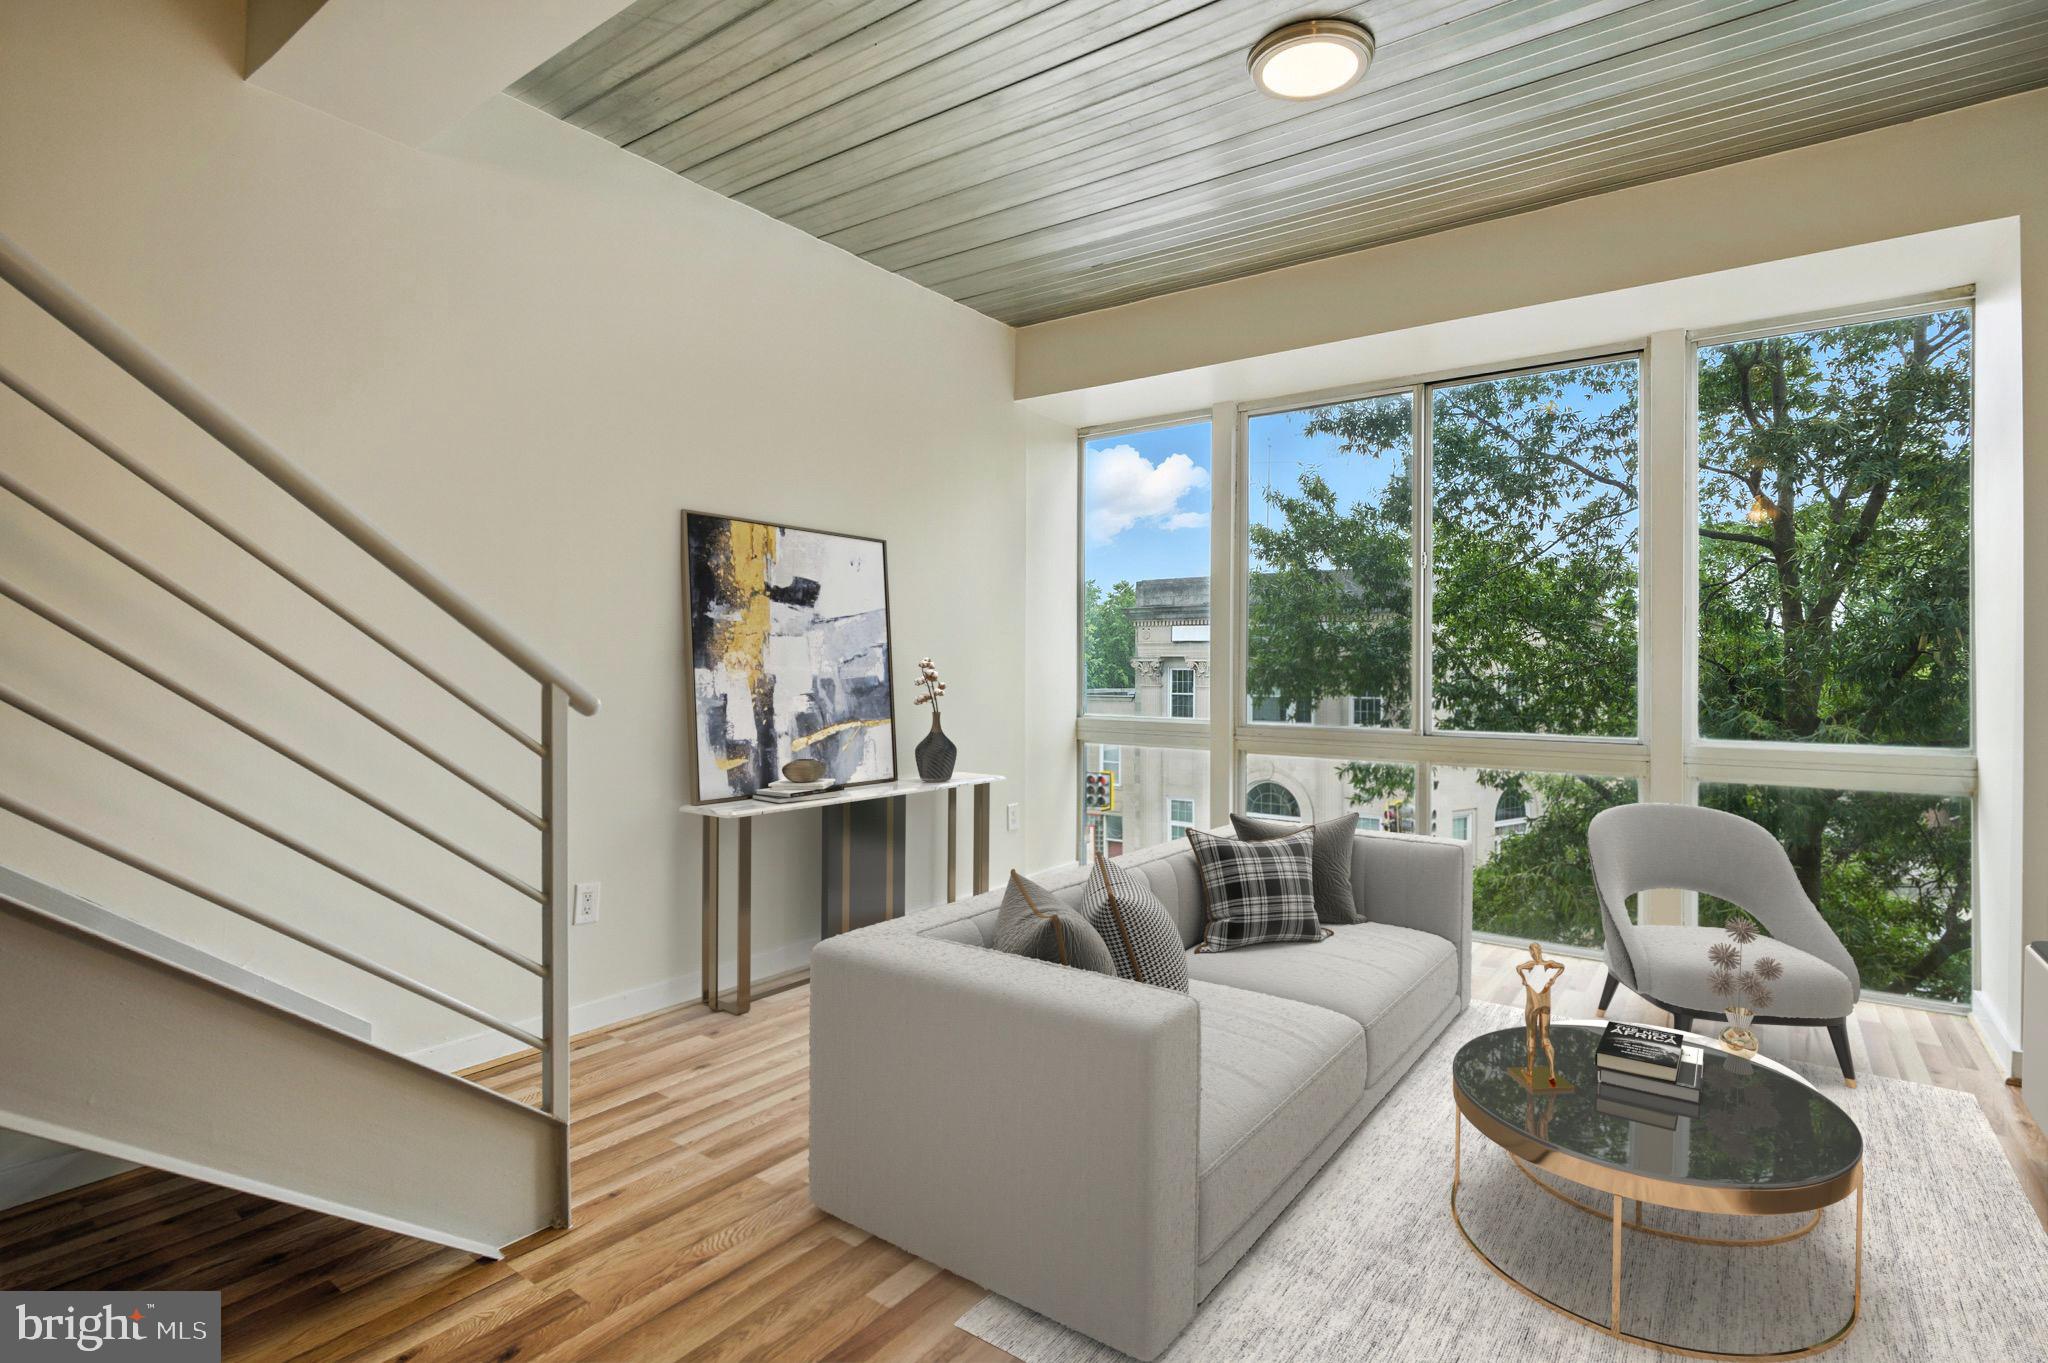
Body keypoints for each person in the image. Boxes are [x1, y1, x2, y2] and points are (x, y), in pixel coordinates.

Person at [1517, 942, 1566, 1085]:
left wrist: (1524, 980)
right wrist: (1553, 979)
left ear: (1531, 952)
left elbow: (1518, 968)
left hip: (1533, 1005)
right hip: (1546, 1004)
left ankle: (1530, 1071)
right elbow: (1562, 966)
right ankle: (1551, 1073)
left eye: (1532, 951)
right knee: (1545, 1038)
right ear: (1541, 951)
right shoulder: (1548, 964)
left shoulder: (1531, 965)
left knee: (1531, 1035)